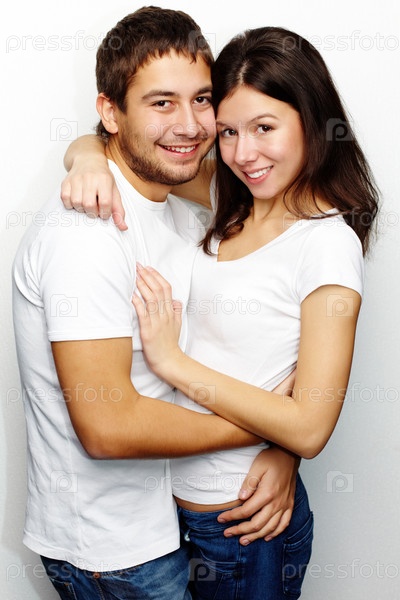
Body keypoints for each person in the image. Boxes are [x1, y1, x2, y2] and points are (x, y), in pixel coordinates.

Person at [61, 24, 379, 600]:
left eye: (264, 128)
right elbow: (124, 150)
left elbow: (311, 426)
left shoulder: (327, 244)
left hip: (244, 528)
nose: (243, 154)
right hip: (171, 518)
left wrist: (173, 363)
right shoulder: (231, 197)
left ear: (311, 121)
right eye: (228, 131)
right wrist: (86, 159)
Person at [12, 8, 300, 600]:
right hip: (116, 552)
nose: (190, 125)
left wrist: (282, 450)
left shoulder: (180, 207)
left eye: (202, 100)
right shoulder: (86, 233)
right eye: (162, 103)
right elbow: (108, 427)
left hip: (183, 516)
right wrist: (270, 430)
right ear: (111, 112)